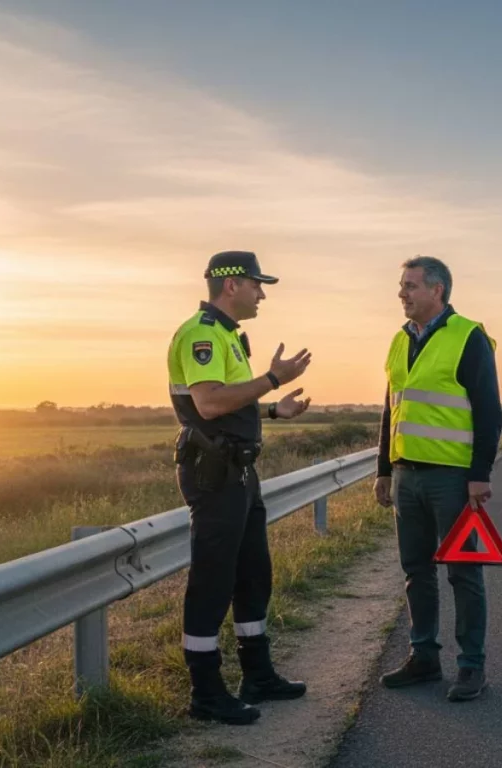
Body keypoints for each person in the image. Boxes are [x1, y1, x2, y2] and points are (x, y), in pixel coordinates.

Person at [167, 250, 312, 725]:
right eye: (256, 284)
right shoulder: (202, 334)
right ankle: (206, 692)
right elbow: (209, 404)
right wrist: (272, 379)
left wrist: (272, 410)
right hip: (215, 474)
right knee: (213, 580)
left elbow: (229, 403)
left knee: (253, 574)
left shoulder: (229, 335)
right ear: (231, 285)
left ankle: (258, 675)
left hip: (240, 472)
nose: (261, 294)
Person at [373, 255, 502, 702]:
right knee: (416, 571)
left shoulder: (468, 336)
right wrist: (384, 470)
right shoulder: (399, 340)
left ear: (437, 290)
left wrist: (479, 475)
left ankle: (471, 667)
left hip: (452, 479)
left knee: (463, 573)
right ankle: (424, 657)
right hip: (406, 476)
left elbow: (489, 412)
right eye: (401, 286)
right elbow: (391, 409)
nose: (401, 294)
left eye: (410, 286)